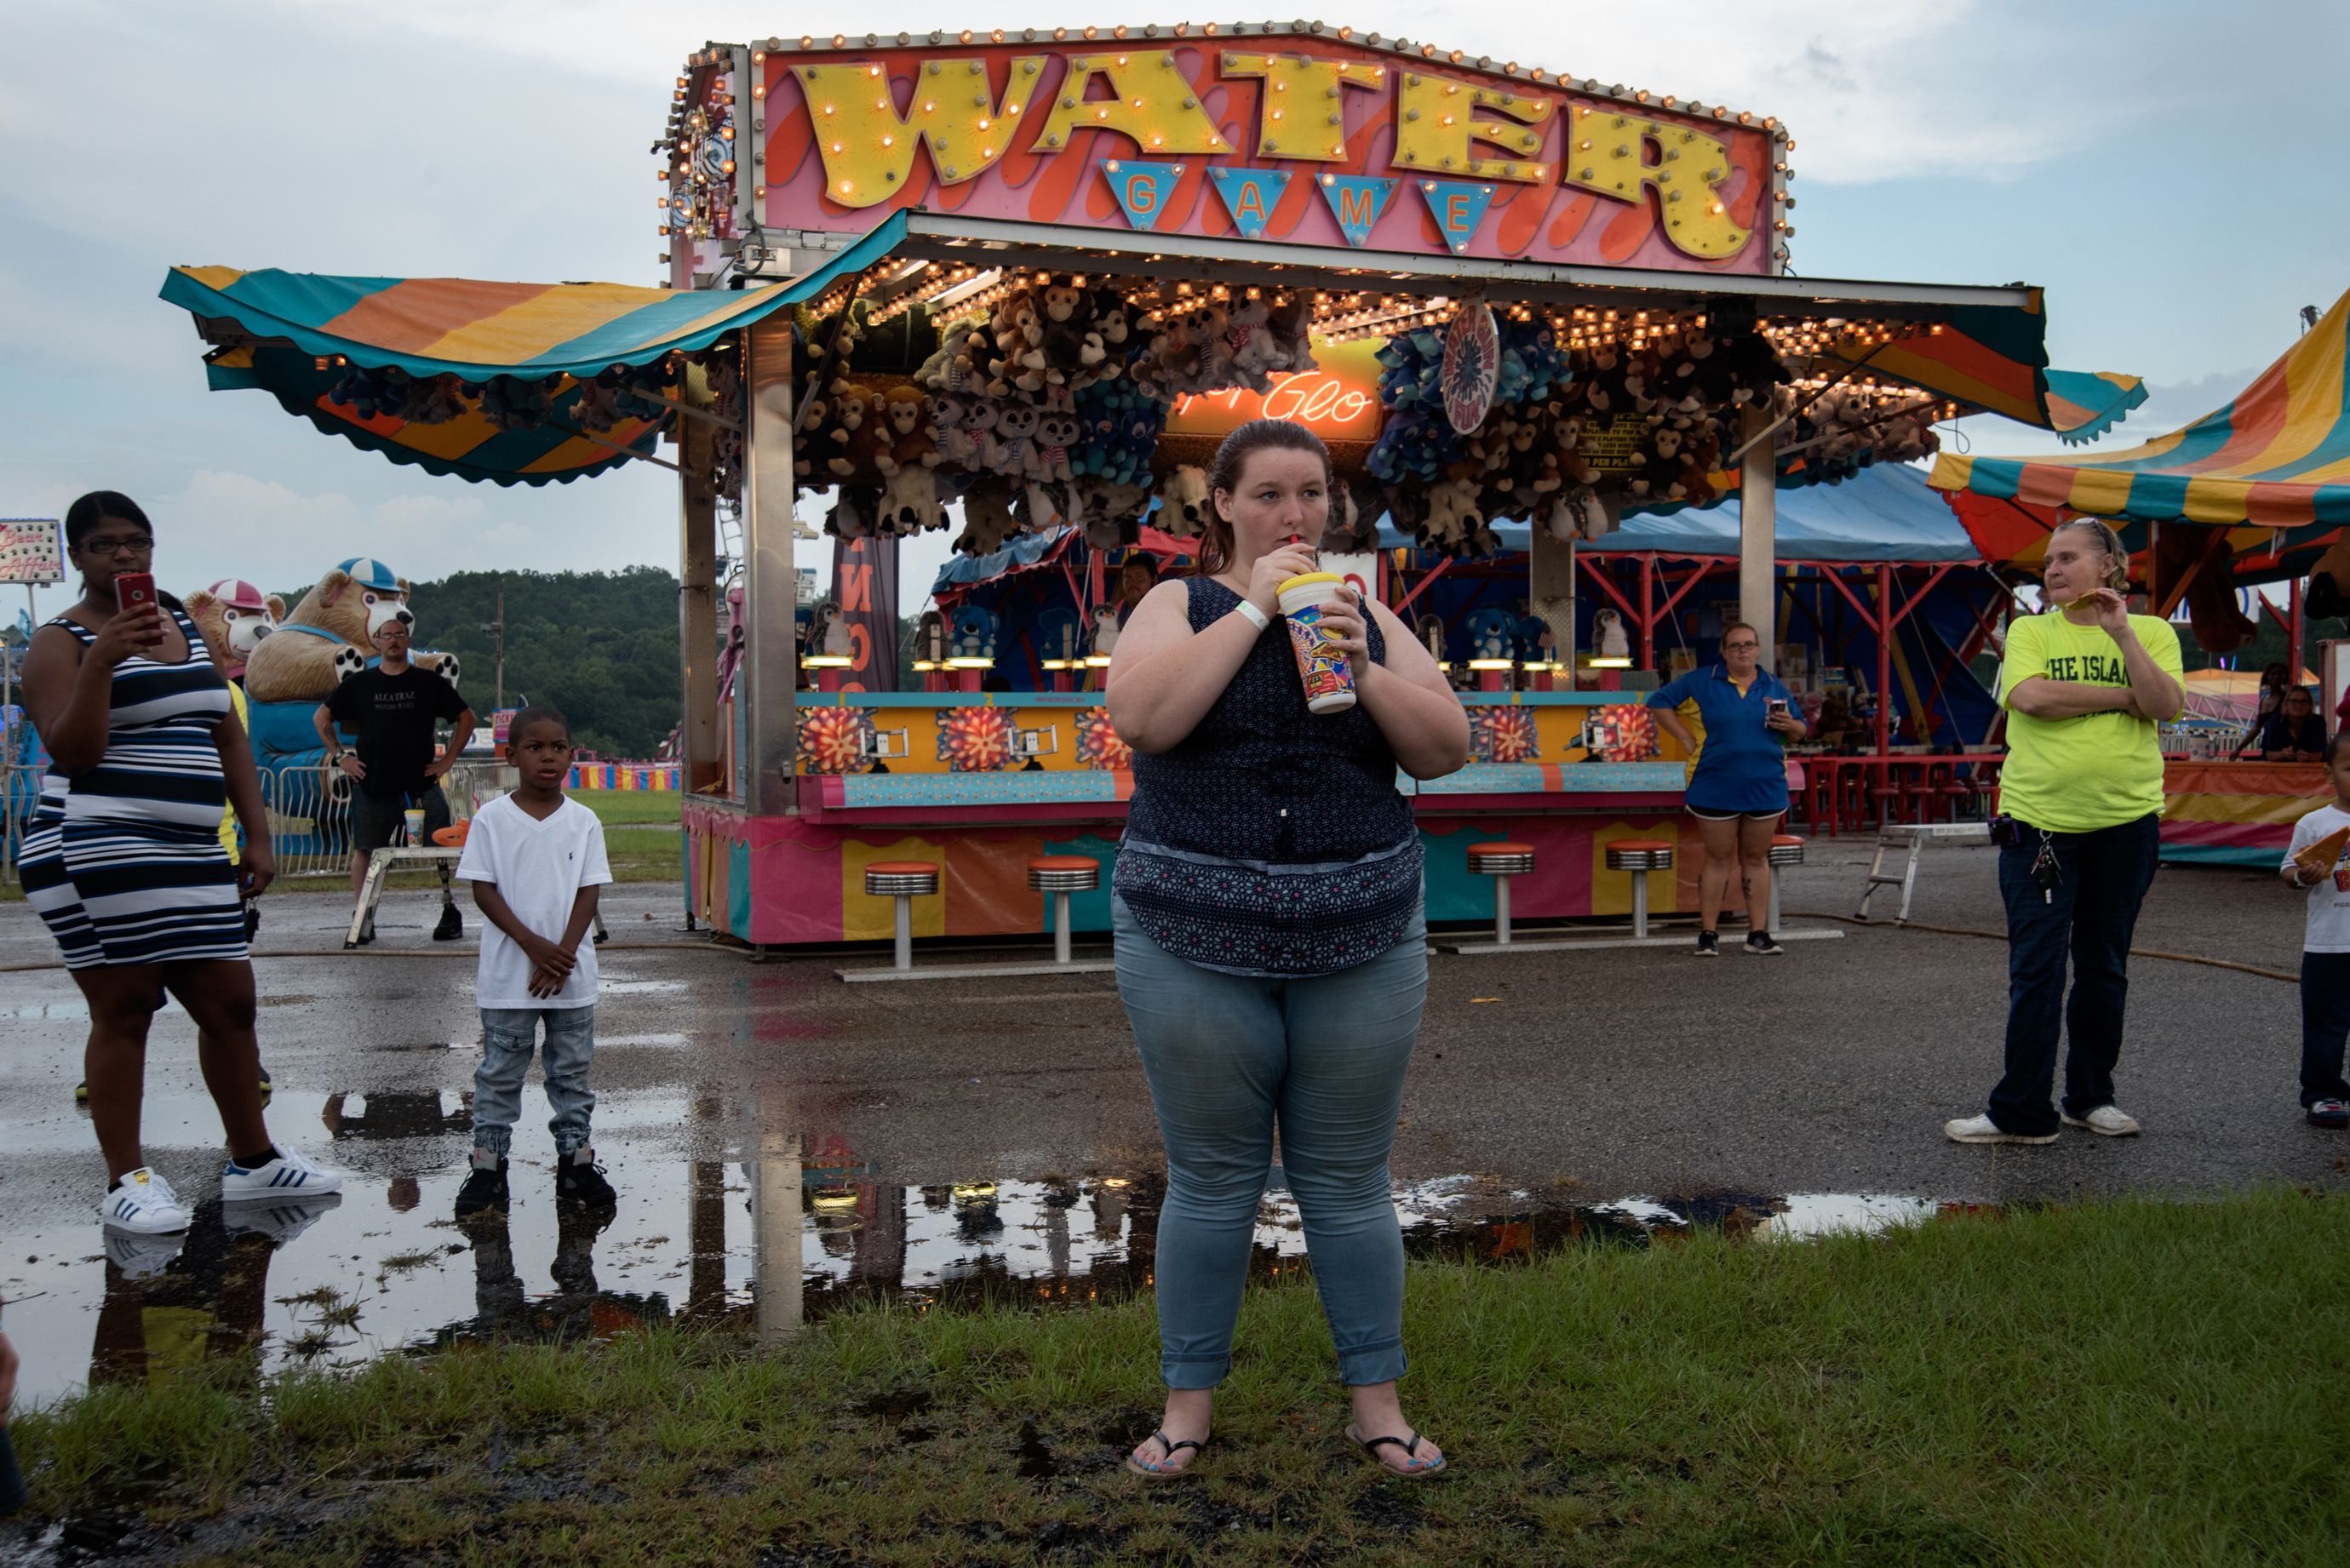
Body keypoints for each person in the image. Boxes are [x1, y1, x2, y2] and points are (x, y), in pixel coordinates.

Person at [1104, 420, 1469, 1479]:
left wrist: (1365, 671)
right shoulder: (1178, 604)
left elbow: (1446, 750)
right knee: (1214, 1181)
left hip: (1361, 929)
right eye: (1267, 494)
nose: (1294, 514)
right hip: (1190, 933)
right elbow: (1141, 716)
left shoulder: (1365, 616)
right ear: (1220, 504)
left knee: (1350, 1181)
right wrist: (1255, 606)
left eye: (1311, 494)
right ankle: (1187, 1408)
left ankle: (1378, 1404)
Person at [20, 492, 342, 1236]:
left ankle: (254, 1160)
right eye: (105, 545)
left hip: (194, 851)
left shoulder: (186, 632)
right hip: (97, 846)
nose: (126, 556)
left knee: (230, 1004)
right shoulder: (59, 641)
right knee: (126, 1009)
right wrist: (102, 660)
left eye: (138, 541)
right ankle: (127, 1179)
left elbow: (229, 734)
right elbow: (74, 750)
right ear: (77, 557)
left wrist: (256, 838)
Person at [1946, 518, 2184, 1145]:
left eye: (2069, 557)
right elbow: (2029, 698)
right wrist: (2119, 696)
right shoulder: (2029, 629)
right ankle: (2021, 1111)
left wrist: (2123, 637)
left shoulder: (2153, 632)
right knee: (2038, 970)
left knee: (2104, 966)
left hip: (2128, 824)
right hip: (2040, 825)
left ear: (2109, 566)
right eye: (2049, 560)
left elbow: (2162, 705)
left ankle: (2090, 1097)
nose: (2052, 569)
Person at [450, 704, 616, 1219]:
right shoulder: (493, 819)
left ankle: (576, 1163)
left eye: (559, 747)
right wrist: (532, 947)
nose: (549, 757)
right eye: (535, 747)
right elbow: (483, 890)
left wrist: (561, 954)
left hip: (571, 977)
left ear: (571, 754)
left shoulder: (583, 821)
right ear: (511, 755)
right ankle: (488, 1168)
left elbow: (589, 892)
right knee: (500, 1073)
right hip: (509, 978)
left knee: (571, 1073)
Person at [1645, 622, 1808, 956]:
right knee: (1718, 858)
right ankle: (1708, 933)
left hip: (1765, 783)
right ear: (1723, 651)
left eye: (1748, 645)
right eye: (1735, 646)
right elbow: (1658, 701)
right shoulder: (1701, 680)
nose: (1742, 651)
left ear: (1758, 649)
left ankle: (1758, 933)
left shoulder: (1773, 684)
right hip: (1714, 782)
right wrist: (1685, 738)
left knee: (1756, 858)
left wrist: (1790, 725)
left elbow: (1800, 731)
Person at [313, 615, 477, 943]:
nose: (393, 641)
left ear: (407, 640)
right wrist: (341, 757)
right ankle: (363, 916)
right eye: (386, 635)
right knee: (366, 851)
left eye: (399, 635)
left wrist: (447, 761)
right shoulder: (360, 684)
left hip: (421, 783)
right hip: (373, 784)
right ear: (376, 641)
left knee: (440, 847)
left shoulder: (427, 682)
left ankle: (449, 910)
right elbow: (322, 716)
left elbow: (467, 718)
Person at [2279, 732, 2350, 1128]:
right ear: (2329, 773)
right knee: (2326, 1024)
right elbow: (2288, 871)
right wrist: (2303, 876)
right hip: (2329, 945)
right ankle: (2324, 1094)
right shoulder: (2316, 822)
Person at [2229, 661, 2293, 759]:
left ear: (2285, 678)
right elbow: (2256, 728)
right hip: (2268, 744)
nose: (2276, 677)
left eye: (2279, 675)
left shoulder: (2287, 699)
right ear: (2267, 677)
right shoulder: (2264, 700)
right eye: (2273, 674)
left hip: (2284, 746)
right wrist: (2239, 748)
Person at [2247, 685, 2327, 762]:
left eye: (2304, 701)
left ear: (2310, 705)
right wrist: (2282, 754)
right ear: (2286, 704)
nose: (2298, 705)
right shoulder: (2275, 721)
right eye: (2294, 701)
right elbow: (2269, 755)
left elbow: (2318, 756)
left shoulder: (2318, 721)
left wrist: (2308, 757)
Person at [1115, 552, 1161, 623]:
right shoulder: (1121, 610)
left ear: (1155, 580)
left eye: (1139, 577)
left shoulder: (1163, 612)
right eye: (1128, 578)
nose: (1133, 583)